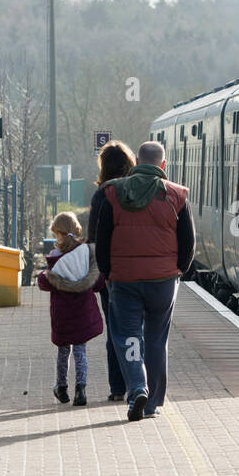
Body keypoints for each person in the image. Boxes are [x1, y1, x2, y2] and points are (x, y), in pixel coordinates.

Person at [94, 140, 194, 421]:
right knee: (156, 340)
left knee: (127, 336)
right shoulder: (177, 195)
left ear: (137, 163)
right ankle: (152, 405)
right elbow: (188, 243)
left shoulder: (112, 193)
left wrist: (108, 273)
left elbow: (103, 239)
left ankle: (137, 387)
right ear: (163, 166)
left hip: (124, 280)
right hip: (163, 281)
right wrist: (177, 270)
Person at [37, 211, 105, 406]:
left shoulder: (55, 259)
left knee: (63, 351)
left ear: (58, 234)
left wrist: (45, 274)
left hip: (63, 316)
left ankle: (62, 388)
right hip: (83, 314)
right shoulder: (86, 253)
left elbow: (44, 282)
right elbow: (98, 283)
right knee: (81, 351)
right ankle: (81, 390)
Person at [87, 140, 137, 402]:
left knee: (115, 331)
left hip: (113, 275)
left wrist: (101, 273)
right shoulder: (141, 190)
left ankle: (118, 387)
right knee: (139, 331)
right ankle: (139, 383)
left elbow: (94, 239)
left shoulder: (102, 194)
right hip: (144, 272)